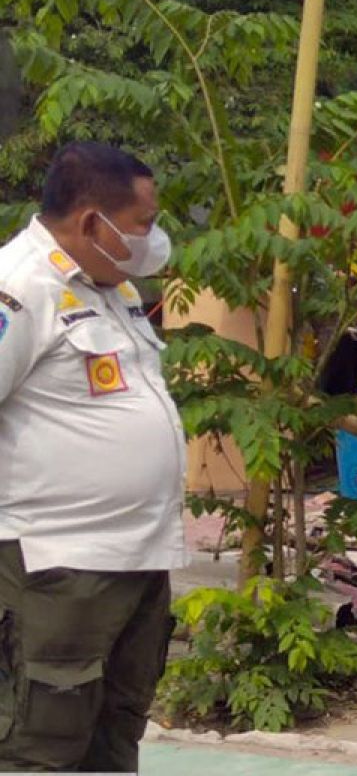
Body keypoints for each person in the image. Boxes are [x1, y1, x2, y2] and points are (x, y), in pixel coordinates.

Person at [0, 142, 188, 771]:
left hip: (137, 559)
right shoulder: (20, 285)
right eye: (143, 224)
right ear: (90, 223)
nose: (152, 238)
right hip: (57, 564)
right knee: (42, 746)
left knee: (116, 737)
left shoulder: (115, 289)